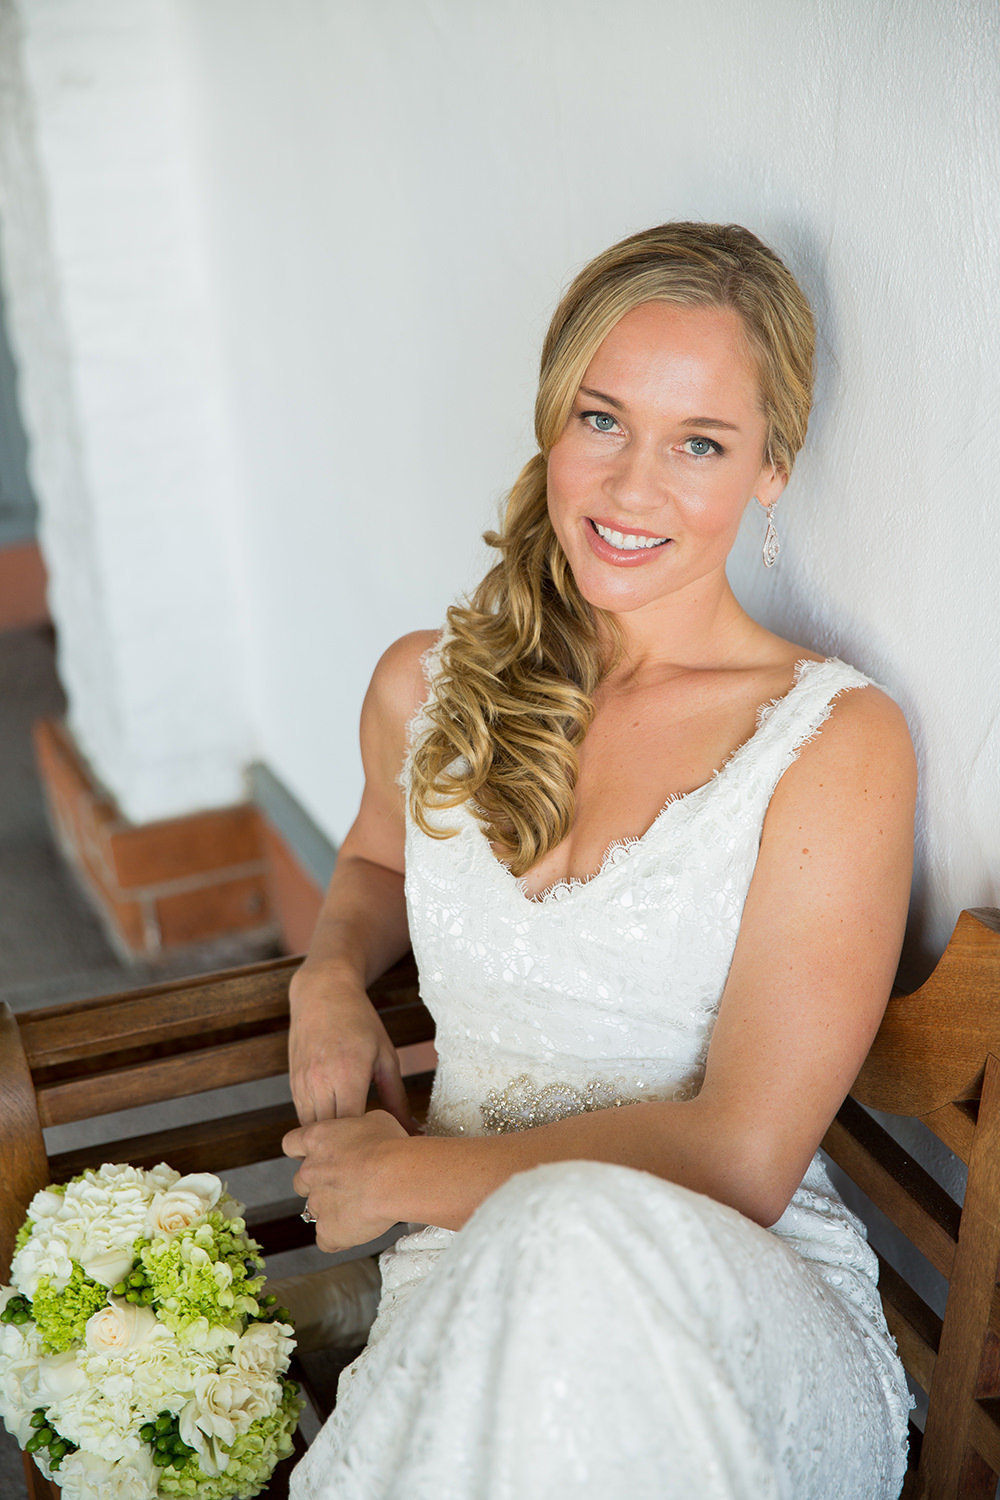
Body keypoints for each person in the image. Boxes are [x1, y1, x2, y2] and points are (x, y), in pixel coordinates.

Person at [282, 221, 916, 1499]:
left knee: (565, 1241)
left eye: (700, 444)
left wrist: (406, 1175)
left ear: (772, 471)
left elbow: (741, 1157)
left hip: (739, 1307)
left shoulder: (831, 742)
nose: (632, 491)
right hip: (457, 1274)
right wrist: (330, 974)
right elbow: (375, 861)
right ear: (549, 421)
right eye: (602, 419)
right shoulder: (428, 687)